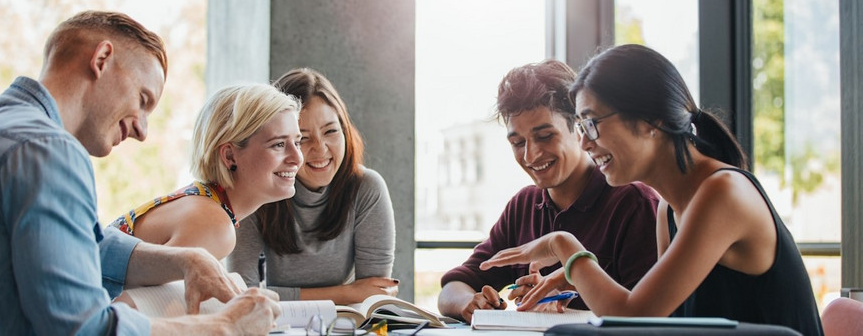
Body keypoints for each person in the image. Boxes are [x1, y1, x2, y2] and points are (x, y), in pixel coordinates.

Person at [479, 44, 823, 335]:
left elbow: (633, 318)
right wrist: (574, 282)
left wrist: (563, 246)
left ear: (650, 122)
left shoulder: (723, 192)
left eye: (591, 124)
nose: (583, 143)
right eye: (581, 126)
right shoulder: (668, 210)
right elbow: (659, 324)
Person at [0, 10, 281, 335]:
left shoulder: (7, 130)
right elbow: (83, 328)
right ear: (102, 59)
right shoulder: (48, 150)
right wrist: (225, 326)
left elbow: (76, 247)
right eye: (143, 100)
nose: (142, 131)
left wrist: (187, 260)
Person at [437, 59, 660, 323]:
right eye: (518, 143)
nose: (530, 155)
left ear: (579, 128)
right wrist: (470, 303)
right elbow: (454, 286)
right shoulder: (523, 206)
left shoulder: (633, 203)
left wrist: (568, 294)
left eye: (544, 136)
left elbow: (646, 317)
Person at [228, 68, 397, 304]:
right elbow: (243, 295)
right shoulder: (255, 189)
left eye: (330, 131)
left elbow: (374, 293)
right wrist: (346, 292)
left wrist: (354, 295)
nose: (320, 149)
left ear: (345, 130)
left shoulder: (366, 188)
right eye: (303, 138)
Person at [108, 83, 303, 260]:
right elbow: (134, 299)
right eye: (278, 144)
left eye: (297, 142)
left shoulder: (206, 203)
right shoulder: (213, 226)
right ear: (229, 156)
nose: (297, 158)